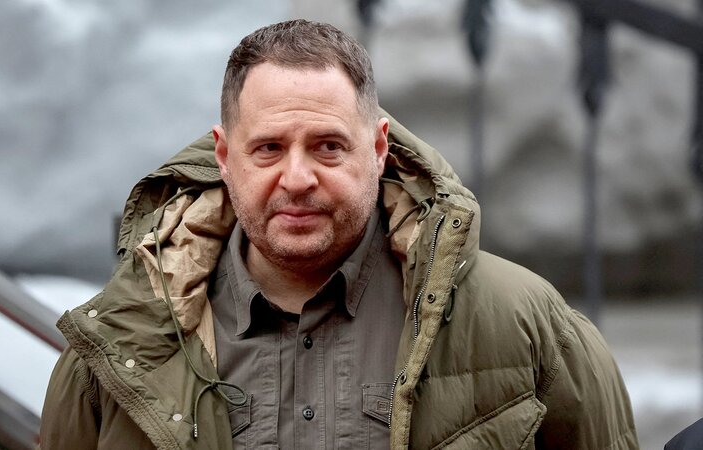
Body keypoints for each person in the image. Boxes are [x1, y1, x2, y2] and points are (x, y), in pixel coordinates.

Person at [40, 19, 638, 449]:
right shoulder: (112, 351)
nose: (297, 178)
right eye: (268, 148)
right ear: (224, 157)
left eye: (328, 146)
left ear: (378, 148)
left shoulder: (528, 328)